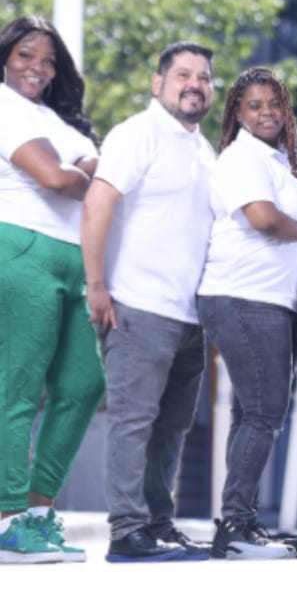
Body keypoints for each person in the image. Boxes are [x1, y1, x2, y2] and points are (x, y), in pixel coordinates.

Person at [81, 41, 218, 563]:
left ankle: (159, 524)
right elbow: (98, 201)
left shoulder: (204, 151)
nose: (194, 84)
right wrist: (96, 284)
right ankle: (127, 531)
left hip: (190, 316)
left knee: (172, 428)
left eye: (203, 77)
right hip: (137, 305)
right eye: (183, 74)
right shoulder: (137, 133)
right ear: (157, 83)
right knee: (133, 422)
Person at [0, 16, 104, 565]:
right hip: (22, 250)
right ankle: (6, 519)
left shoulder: (56, 119)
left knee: (84, 384)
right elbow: (58, 179)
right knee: (18, 388)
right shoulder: (2, 105)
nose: (37, 68)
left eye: (48, 61)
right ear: (5, 58)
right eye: (25, 55)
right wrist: (81, 169)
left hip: (72, 261)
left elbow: (91, 172)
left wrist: (79, 170)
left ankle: (38, 514)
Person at [197, 67, 297, 560]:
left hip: (269, 299)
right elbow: (263, 218)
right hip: (243, 295)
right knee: (265, 413)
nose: (267, 113)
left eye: (274, 103)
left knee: (251, 413)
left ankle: (242, 523)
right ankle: (236, 529)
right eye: (254, 105)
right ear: (238, 114)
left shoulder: (278, 159)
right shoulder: (242, 157)